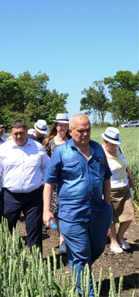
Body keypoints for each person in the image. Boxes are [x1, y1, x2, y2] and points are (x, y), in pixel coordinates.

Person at [43, 114, 112, 297]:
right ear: (70, 131)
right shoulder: (61, 152)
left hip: (98, 212)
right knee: (81, 255)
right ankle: (86, 293)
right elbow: (48, 182)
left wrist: (108, 205)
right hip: (72, 215)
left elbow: (106, 177)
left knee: (97, 248)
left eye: (88, 129)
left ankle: (79, 270)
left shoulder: (97, 149)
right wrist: (46, 210)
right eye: (80, 130)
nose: (85, 134)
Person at [0, 119, 49, 252]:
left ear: (27, 131)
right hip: (10, 196)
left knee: (34, 229)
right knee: (6, 227)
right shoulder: (4, 148)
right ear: (11, 133)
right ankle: (4, 257)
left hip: (34, 196)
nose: (18, 137)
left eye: (21, 133)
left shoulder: (37, 147)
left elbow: (46, 167)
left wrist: (47, 184)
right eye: (15, 134)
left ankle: (36, 262)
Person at [101, 127, 135, 253]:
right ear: (105, 140)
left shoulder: (119, 149)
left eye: (116, 143)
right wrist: (102, 193)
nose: (115, 145)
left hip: (124, 187)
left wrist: (131, 179)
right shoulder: (101, 153)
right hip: (111, 189)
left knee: (129, 215)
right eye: (112, 143)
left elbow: (125, 166)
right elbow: (99, 174)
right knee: (112, 218)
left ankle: (121, 238)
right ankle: (113, 242)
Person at [43, 113, 71, 254]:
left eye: (65, 125)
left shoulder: (72, 141)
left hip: (70, 181)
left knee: (69, 211)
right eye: (60, 125)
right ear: (56, 126)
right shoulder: (49, 142)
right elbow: (45, 163)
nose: (63, 127)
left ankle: (70, 239)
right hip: (55, 183)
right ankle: (62, 240)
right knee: (59, 213)